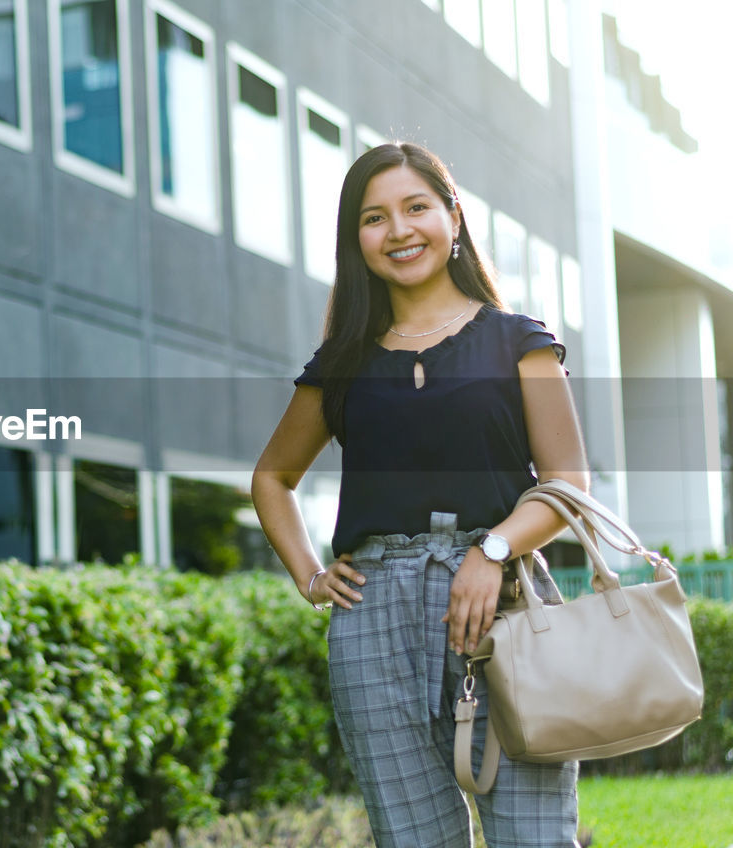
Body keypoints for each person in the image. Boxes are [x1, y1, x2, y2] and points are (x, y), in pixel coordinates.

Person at [251, 142, 588, 848]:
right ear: (357, 242)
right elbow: (272, 478)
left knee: (534, 836)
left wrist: (491, 551)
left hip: (505, 604)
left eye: (416, 208)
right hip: (370, 622)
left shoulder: (516, 342)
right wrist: (311, 576)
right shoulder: (341, 365)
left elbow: (566, 483)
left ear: (452, 218)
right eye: (374, 218)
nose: (399, 230)